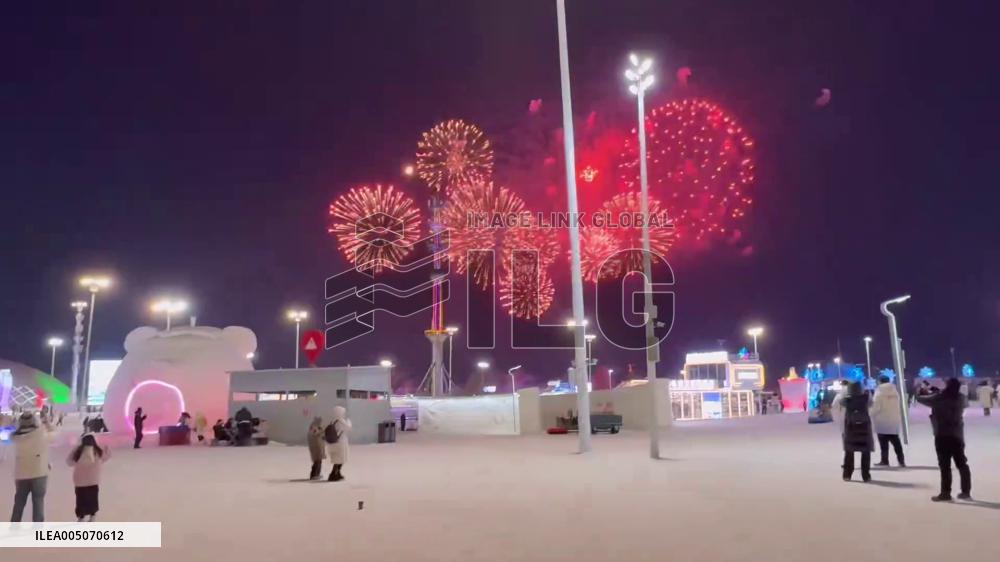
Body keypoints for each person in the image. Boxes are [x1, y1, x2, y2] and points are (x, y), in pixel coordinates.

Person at [917, 378, 972, 502]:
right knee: (962, 463)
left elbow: (921, 399)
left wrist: (926, 391)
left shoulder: (939, 397)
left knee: (945, 465)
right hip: (957, 434)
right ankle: (966, 491)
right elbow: (965, 404)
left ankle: (945, 492)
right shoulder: (961, 398)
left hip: (942, 434)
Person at [10, 412, 54, 522]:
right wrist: (47, 423)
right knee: (38, 503)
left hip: (21, 474)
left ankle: (14, 527)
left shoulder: (15, 437)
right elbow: (55, 432)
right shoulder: (41, 434)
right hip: (39, 473)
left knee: (19, 502)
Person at [66, 433, 111, 521]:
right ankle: (92, 514)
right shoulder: (98, 451)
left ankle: (81, 516)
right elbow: (105, 458)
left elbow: (69, 462)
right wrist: (107, 449)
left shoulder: (78, 453)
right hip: (93, 480)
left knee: (80, 498)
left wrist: (75, 448)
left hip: (80, 481)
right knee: (93, 498)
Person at [841, 382, 873, 482]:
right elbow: (872, 404)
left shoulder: (846, 400)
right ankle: (866, 475)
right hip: (864, 428)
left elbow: (839, 402)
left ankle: (847, 474)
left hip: (851, 428)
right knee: (865, 452)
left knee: (849, 452)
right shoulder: (866, 398)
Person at [870, 376, 905, 467]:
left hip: (882, 421)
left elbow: (875, 407)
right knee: (896, 442)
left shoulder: (879, 393)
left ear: (879, 381)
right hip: (893, 420)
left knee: (883, 444)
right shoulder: (895, 392)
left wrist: (870, 414)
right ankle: (901, 461)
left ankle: (885, 460)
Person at [324, 406, 352, 482]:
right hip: (340, 444)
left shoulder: (333, 421)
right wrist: (349, 421)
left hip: (334, 444)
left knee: (337, 460)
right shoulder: (341, 421)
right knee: (339, 460)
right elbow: (348, 428)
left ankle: (337, 474)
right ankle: (334, 475)